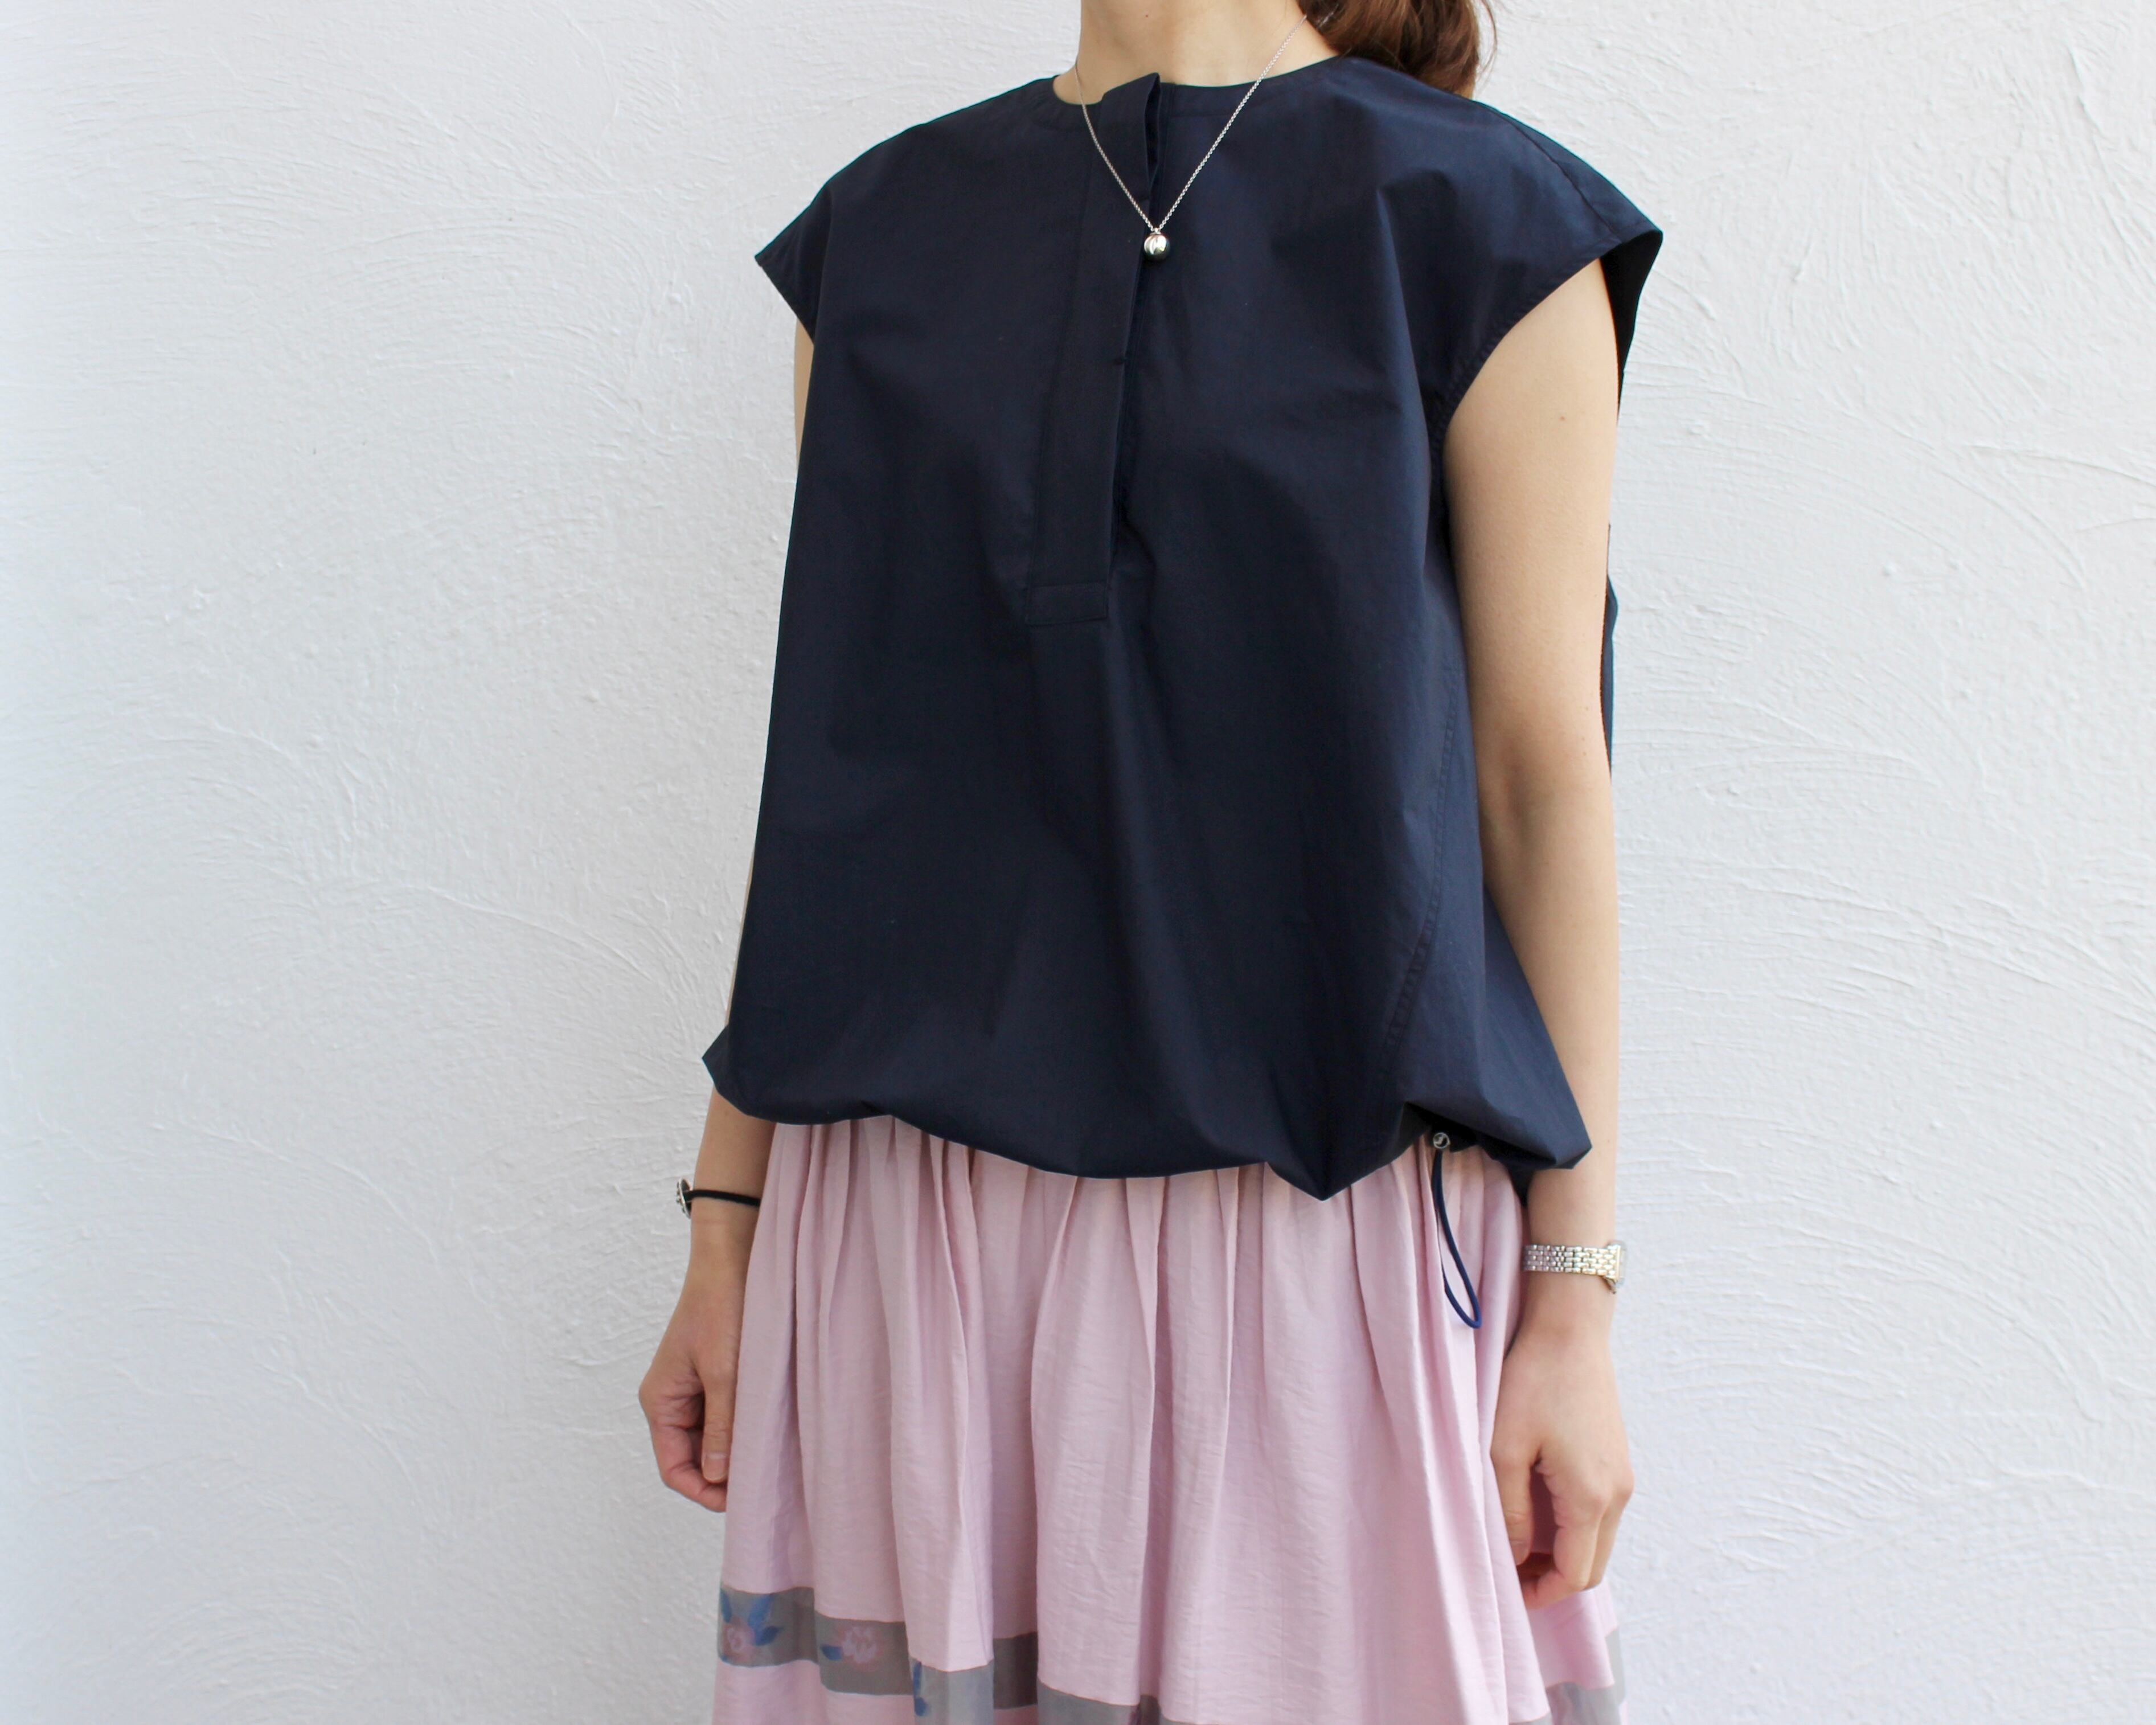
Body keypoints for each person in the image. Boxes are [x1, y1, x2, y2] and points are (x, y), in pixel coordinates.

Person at [642, 2, 1660, 1719]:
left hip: (1315, 1239)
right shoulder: (880, 235)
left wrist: (1574, 1298)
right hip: (908, 1231)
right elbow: (836, 767)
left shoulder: (1487, 226)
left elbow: (1539, 783)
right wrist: (727, 1222)